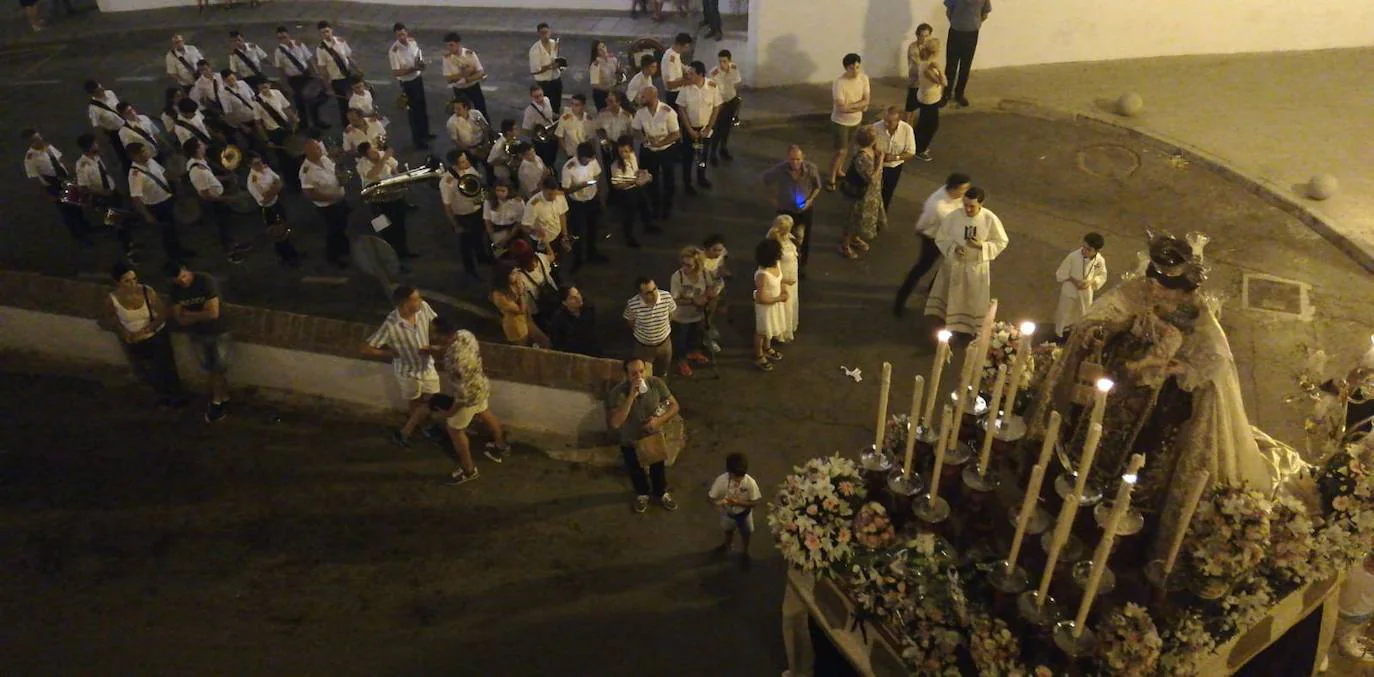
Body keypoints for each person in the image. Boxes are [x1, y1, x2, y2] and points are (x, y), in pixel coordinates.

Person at [430, 315, 510, 477]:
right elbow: (455, 347)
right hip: (481, 385)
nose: (431, 334)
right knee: (485, 412)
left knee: (454, 429)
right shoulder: (465, 334)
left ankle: (468, 470)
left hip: (469, 396)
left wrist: (449, 413)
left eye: (433, 332)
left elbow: (462, 395)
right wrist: (437, 349)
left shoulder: (455, 361)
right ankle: (500, 446)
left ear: (441, 334)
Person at [361, 286, 441, 447]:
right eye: (416, 299)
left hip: (426, 366)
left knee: (432, 397)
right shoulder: (391, 324)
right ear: (405, 303)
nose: (421, 301)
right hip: (407, 371)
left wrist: (433, 342)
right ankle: (420, 426)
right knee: (414, 400)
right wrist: (389, 354)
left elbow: (436, 324)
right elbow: (366, 348)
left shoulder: (423, 308)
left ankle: (408, 430)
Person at [923, 186, 1008, 336]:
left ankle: (970, 327)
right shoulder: (954, 216)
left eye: (972, 206)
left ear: (981, 204)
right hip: (955, 266)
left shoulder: (990, 219)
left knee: (972, 299)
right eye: (965, 205)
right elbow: (941, 237)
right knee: (951, 296)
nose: (968, 209)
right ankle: (946, 322)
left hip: (976, 268)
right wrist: (954, 248)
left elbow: (1001, 241)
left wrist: (982, 246)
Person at [605, 358, 681, 514]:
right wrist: (631, 396)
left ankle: (660, 493)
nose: (639, 376)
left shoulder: (655, 383)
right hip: (630, 440)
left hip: (652, 436)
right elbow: (615, 423)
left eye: (641, 371)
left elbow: (674, 406)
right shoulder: (618, 393)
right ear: (626, 375)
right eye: (633, 374)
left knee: (657, 467)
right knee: (635, 469)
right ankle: (642, 494)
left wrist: (658, 421)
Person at [893, 172, 971, 317]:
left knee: (946, 263)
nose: (966, 192)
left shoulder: (954, 196)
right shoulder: (939, 205)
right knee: (921, 268)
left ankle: (932, 290)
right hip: (932, 238)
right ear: (954, 189)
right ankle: (900, 300)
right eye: (963, 189)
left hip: (946, 237)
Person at [107, 262, 185, 407]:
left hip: (155, 335)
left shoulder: (146, 292)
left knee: (164, 368)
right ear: (118, 282)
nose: (132, 284)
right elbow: (113, 317)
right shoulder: (112, 299)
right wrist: (125, 332)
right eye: (127, 281)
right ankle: (162, 395)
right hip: (134, 339)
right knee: (147, 371)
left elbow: (162, 313)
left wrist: (147, 330)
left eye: (134, 279)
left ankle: (175, 397)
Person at [165, 261, 233, 423]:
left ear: (186, 270)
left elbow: (213, 314)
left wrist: (189, 314)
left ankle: (217, 401)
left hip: (217, 331)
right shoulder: (175, 290)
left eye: (184, 277)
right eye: (178, 280)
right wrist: (200, 313)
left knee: (217, 368)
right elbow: (179, 319)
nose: (183, 281)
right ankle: (221, 397)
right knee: (211, 368)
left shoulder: (205, 281)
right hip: (197, 334)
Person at [184, 137, 249, 264]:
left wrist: (226, 178)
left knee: (227, 224)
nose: (203, 145)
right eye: (201, 144)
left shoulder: (199, 161)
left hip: (218, 199)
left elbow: (211, 178)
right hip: (214, 203)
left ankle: (234, 244)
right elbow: (207, 195)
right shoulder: (197, 171)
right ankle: (230, 253)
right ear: (197, 149)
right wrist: (228, 198)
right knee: (223, 226)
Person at [23, 128, 91, 247]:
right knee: (67, 211)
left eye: (39, 137)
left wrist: (72, 172)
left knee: (76, 203)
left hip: (64, 178)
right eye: (35, 140)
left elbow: (60, 159)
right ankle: (79, 235)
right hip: (54, 185)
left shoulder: (48, 147)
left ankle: (85, 226)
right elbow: (34, 178)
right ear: (29, 142)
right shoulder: (30, 158)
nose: (40, 141)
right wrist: (47, 194)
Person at [127, 141, 193, 260]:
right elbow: (136, 198)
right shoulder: (135, 175)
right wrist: (147, 215)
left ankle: (179, 251)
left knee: (174, 228)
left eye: (144, 150)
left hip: (167, 198)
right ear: (134, 156)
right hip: (157, 205)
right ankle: (173, 257)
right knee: (166, 233)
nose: (145, 153)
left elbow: (164, 173)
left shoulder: (151, 161)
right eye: (142, 152)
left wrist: (176, 178)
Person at [761, 145, 822, 271]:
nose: (795, 163)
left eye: (798, 159)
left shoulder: (811, 169)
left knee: (804, 238)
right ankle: (780, 262)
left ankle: (802, 265)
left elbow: (817, 187)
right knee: (781, 236)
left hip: (804, 209)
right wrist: (773, 199)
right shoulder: (780, 169)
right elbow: (765, 180)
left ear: (803, 158)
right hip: (786, 210)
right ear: (787, 158)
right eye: (792, 159)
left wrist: (810, 200)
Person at [74, 132, 132, 257]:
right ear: (89, 146)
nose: (97, 145)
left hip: (112, 191)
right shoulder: (82, 166)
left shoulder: (97, 156)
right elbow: (83, 188)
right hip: (103, 196)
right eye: (95, 143)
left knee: (120, 213)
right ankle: (126, 246)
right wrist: (102, 192)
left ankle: (125, 235)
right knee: (115, 220)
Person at [357, 141, 416, 260]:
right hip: (377, 202)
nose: (376, 153)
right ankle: (389, 256)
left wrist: (400, 180)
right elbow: (371, 175)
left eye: (374, 150)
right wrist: (384, 159)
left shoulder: (382, 155)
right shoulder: (362, 165)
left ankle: (403, 251)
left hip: (393, 197)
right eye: (371, 153)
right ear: (365, 156)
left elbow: (394, 169)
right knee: (384, 229)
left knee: (400, 225)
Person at [299, 134, 351, 269]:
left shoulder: (324, 159)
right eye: (316, 148)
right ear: (308, 152)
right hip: (328, 207)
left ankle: (344, 247)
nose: (320, 149)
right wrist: (332, 197)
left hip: (339, 200)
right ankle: (333, 256)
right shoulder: (307, 171)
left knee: (342, 225)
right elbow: (309, 194)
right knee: (333, 231)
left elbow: (333, 171)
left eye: (318, 146)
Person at [245, 151, 304, 267]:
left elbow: (279, 182)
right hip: (268, 209)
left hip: (277, 203)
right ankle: (286, 258)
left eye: (260, 161)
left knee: (285, 228)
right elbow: (264, 199)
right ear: (249, 166)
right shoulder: (253, 181)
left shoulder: (266, 169)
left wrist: (272, 190)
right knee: (278, 235)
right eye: (256, 163)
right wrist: (275, 189)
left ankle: (292, 254)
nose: (260, 164)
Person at [632, 85, 681, 221]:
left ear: (653, 96)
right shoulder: (641, 112)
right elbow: (635, 129)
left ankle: (667, 207)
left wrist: (660, 143)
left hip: (666, 150)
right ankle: (654, 206)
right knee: (649, 179)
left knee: (668, 180)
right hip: (648, 150)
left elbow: (676, 134)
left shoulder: (668, 112)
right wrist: (643, 138)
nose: (640, 98)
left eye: (643, 96)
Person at [440, 149, 489, 280]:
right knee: (466, 244)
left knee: (479, 235)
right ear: (454, 165)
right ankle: (470, 269)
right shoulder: (447, 182)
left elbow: (478, 186)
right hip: (463, 215)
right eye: (463, 161)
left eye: (466, 159)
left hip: (477, 209)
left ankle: (482, 257)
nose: (467, 162)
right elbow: (447, 205)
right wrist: (455, 224)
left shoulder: (469, 169)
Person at [669, 246, 717, 377]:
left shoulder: (704, 273)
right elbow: (674, 299)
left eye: (689, 265)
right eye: (683, 264)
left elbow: (711, 287)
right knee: (681, 340)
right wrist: (694, 301)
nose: (685, 268)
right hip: (681, 317)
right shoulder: (677, 277)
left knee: (696, 336)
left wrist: (710, 294)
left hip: (698, 314)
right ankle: (681, 361)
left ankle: (693, 352)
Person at [708, 452, 763, 565]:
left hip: (744, 515)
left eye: (741, 476)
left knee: (746, 534)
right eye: (736, 476)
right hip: (728, 513)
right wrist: (717, 503)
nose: (739, 480)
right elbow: (711, 497)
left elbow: (755, 502)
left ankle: (745, 552)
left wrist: (738, 502)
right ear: (729, 472)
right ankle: (727, 544)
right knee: (728, 530)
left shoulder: (750, 483)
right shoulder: (721, 481)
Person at [674, 61, 721, 193]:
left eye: (692, 74)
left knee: (703, 155)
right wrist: (689, 129)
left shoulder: (712, 87)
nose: (688, 76)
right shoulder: (686, 88)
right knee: (688, 157)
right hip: (690, 129)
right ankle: (687, 182)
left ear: (700, 74)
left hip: (706, 129)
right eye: (688, 73)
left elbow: (716, 107)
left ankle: (701, 177)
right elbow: (681, 108)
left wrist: (708, 128)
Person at [841, 126, 886, 259]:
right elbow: (872, 178)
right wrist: (881, 161)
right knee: (852, 219)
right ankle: (845, 245)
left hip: (867, 194)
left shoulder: (870, 150)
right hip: (858, 194)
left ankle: (855, 238)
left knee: (859, 219)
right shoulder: (863, 157)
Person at [274, 25, 331, 131]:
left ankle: (317, 122)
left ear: (288, 35)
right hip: (294, 79)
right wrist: (286, 86)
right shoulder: (279, 52)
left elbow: (309, 59)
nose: (283, 40)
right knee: (300, 104)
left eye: (284, 37)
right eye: (280, 38)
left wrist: (315, 74)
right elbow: (280, 71)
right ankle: (304, 126)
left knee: (314, 99)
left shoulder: (299, 44)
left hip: (306, 75)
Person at [828, 53, 870, 190]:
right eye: (852, 68)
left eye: (858, 67)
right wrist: (859, 106)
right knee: (840, 151)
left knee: (847, 149)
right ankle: (831, 177)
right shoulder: (839, 83)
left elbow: (867, 101)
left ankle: (839, 169)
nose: (856, 71)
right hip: (840, 122)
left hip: (856, 121)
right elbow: (841, 108)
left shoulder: (864, 79)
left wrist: (851, 106)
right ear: (846, 68)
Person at [562, 141, 606, 270]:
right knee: (577, 232)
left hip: (592, 199)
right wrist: (582, 185)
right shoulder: (569, 167)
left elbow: (597, 173)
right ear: (579, 157)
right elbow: (566, 189)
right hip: (577, 203)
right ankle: (577, 259)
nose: (589, 162)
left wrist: (596, 184)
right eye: (586, 161)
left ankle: (592, 253)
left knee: (593, 227)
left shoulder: (592, 160)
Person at [1054, 233, 1108, 338]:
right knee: (1064, 313)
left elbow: (1102, 275)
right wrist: (1074, 281)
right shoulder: (1073, 257)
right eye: (1084, 246)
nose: (1084, 250)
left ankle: (1078, 334)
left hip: (1085, 293)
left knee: (1083, 314)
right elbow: (1061, 273)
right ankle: (1059, 334)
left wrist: (1091, 282)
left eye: (1088, 249)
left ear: (1096, 251)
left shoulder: (1100, 261)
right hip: (1069, 290)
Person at [389, 23, 432, 150]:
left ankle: (425, 133)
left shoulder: (413, 42)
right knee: (413, 112)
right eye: (399, 35)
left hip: (418, 79)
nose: (402, 37)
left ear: (407, 33)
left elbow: (418, 56)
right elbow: (396, 72)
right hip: (407, 83)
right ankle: (417, 140)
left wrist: (421, 64)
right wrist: (413, 68)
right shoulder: (394, 51)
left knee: (422, 107)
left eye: (403, 33)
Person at [608, 135, 656, 248]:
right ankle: (628, 237)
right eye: (621, 151)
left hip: (637, 187)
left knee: (645, 206)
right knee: (629, 215)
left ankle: (648, 225)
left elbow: (635, 170)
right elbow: (617, 185)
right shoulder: (615, 166)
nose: (624, 154)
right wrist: (633, 182)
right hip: (626, 192)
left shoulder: (632, 156)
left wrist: (642, 173)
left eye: (626, 151)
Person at [624, 276, 677, 378]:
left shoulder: (666, 297)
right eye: (648, 292)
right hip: (643, 347)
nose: (654, 294)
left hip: (664, 344)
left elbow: (671, 315)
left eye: (654, 289)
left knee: (663, 369)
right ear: (640, 294)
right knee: (643, 374)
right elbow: (631, 322)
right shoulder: (633, 304)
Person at [490, 260, 550, 348]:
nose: (516, 275)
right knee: (524, 349)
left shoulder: (515, 282)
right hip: (515, 326)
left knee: (544, 341)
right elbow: (520, 310)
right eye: (512, 273)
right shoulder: (498, 295)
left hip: (527, 319)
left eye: (516, 272)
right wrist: (521, 292)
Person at [944, 0, 991, 108]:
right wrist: (957, 23)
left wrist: (973, 24)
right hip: (956, 32)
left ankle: (959, 94)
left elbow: (985, 14)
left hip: (971, 34)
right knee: (951, 65)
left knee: (965, 66)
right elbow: (948, 11)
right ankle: (946, 94)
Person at [752, 239, 789, 371]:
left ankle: (767, 348)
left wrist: (784, 290)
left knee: (770, 328)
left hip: (774, 304)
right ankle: (758, 355)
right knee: (761, 331)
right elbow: (761, 298)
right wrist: (780, 298)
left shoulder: (776, 264)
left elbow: (781, 280)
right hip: (765, 307)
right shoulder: (762, 274)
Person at [872, 105, 916, 210]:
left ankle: (882, 212)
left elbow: (911, 152)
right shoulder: (875, 127)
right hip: (876, 164)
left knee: (888, 191)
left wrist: (895, 158)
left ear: (898, 120)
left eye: (890, 122)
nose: (886, 124)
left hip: (894, 167)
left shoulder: (907, 130)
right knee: (872, 190)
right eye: (885, 120)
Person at [316, 21, 358, 125]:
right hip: (337, 80)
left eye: (327, 31)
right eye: (323, 33)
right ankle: (347, 128)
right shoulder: (320, 49)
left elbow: (348, 57)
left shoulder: (341, 41)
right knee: (344, 106)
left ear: (331, 30)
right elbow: (323, 70)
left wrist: (357, 69)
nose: (326, 34)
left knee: (355, 102)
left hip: (348, 75)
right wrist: (328, 87)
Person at [913, 38, 948, 161]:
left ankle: (915, 144)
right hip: (929, 100)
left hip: (929, 97)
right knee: (931, 125)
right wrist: (939, 69)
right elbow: (944, 82)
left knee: (923, 123)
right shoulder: (927, 68)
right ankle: (920, 149)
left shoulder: (925, 63)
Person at [768, 215, 801, 342]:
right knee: (782, 305)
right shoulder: (773, 244)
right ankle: (779, 332)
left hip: (791, 278)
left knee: (789, 303)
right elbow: (770, 268)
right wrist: (783, 281)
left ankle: (787, 327)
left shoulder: (790, 238)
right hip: (782, 280)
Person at [442, 32, 489, 120]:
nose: (449, 48)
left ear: (458, 44)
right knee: (464, 115)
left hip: (473, 87)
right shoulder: (447, 59)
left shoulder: (469, 54)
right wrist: (464, 73)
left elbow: (480, 72)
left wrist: (467, 79)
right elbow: (448, 79)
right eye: (447, 46)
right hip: (459, 90)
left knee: (482, 112)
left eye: (451, 45)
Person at [85, 80, 130, 170]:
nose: (102, 90)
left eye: (101, 87)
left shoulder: (110, 93)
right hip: (115, 132)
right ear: (93, 93)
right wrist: (101, 143)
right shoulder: (93, 108)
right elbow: (96, 126)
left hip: (126, 125)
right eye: (99, 90)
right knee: (123, 154)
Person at [707, 50, 741, 165]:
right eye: (720, 61)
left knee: (727, 128)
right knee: (717, 129)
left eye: (724, 61)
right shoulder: (714, 73)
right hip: (720, 104)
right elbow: (711, 92)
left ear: (729, 61)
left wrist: (737, 100)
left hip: (732, 100)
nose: (722, 64)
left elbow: (737, 83)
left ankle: (723, 149)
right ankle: (712, 153)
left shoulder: (734, 68)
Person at [548, 286, 602, 357]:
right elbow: (557, 342)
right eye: (573, 298)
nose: (578, 298)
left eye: (578, 294)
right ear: (564, 302)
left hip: (592, 350)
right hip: (573, 355)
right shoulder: (558, 319)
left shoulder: (588, 308)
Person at [523, 176, 569, 254]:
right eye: (550, 194)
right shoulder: (533, 204)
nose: (553, 197)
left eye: (555, 194)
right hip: (542, 242)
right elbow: (524, 226)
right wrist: (534, 231)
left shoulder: (559, 196)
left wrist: (565, 236)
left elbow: (562, 215)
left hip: (557, 236)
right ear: (543, 189)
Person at [528, 23, 566, 115]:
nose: (545, 35)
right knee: (546, 109)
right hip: (544, 83)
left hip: (556, 80)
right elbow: (535, 70)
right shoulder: (535, 50)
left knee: (557, 106)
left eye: (546, 32)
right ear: (539, 34)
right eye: (542, 33)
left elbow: (555, 57)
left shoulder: (554, 43)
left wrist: (559, 65)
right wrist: (550, 66)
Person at [483, 179, 526, 257]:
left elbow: (519, 222)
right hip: (495, 230)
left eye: (503, 191)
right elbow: (487, 220)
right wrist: (492, 237)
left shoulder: (517, 202)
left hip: (512, 231)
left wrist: (508, 238)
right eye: (497, 190)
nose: (499, 193)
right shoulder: (489, 201)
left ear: (509, 190)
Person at [903, 23, 935, 125]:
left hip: (925, 83)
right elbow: (920, 66)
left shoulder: (930, 48)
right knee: (910, 107)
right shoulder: (913, 48)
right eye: (922, 36)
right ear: (917, 35)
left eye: (927, 36)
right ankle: (907, 126)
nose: (924, 39)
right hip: (915, 81)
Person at [522, 84, 560, 171]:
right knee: (545, 161)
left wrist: (559, 116)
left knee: (552, 156)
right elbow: (525, 130)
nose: (539, 99)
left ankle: (551, 166)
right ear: (531, 97)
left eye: (540, 95)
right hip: (541, 142)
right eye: (536, 97)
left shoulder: (546, 100)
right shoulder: (529, 111)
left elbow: (550, 115)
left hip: (552, 135)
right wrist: (539, 134)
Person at [446, 96, 491, 162]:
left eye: (458, 109)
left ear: (466, 107)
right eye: (454, 109)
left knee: (488, 165)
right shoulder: (451, 122)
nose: (455, 111)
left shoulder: (476, 114)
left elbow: (485, 128)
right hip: (466, 149)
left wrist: (486, 144)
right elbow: (455, 140)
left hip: (482, 144)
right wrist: (469, 150)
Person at [555, 94, 595, 164]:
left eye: (576, 105)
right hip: (572, 153)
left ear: (583, 106)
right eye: (572, 104)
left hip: (585, 154)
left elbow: (591, 139)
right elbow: (560, 136)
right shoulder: (565, 118)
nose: (573, 107)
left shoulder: (588, 119)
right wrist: (566, 150)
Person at [660, 33, 692, 107]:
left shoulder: (674, 53)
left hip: (678, 91)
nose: (686, 50)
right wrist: (687, 81)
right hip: (674, 94)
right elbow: (670, 85)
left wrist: (687, 69)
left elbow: (678, 63)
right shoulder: (669, 59)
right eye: (686, 47)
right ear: (679, 45)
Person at [588, 41, 620, 111]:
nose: (603, 50)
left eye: (603, 47)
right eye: (599, 49)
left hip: (613, 91)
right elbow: (594, 84)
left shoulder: (614, 60)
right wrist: (607, 89)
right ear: (596, 52)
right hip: (601, 93)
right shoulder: (596, 64)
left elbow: (618, 73)